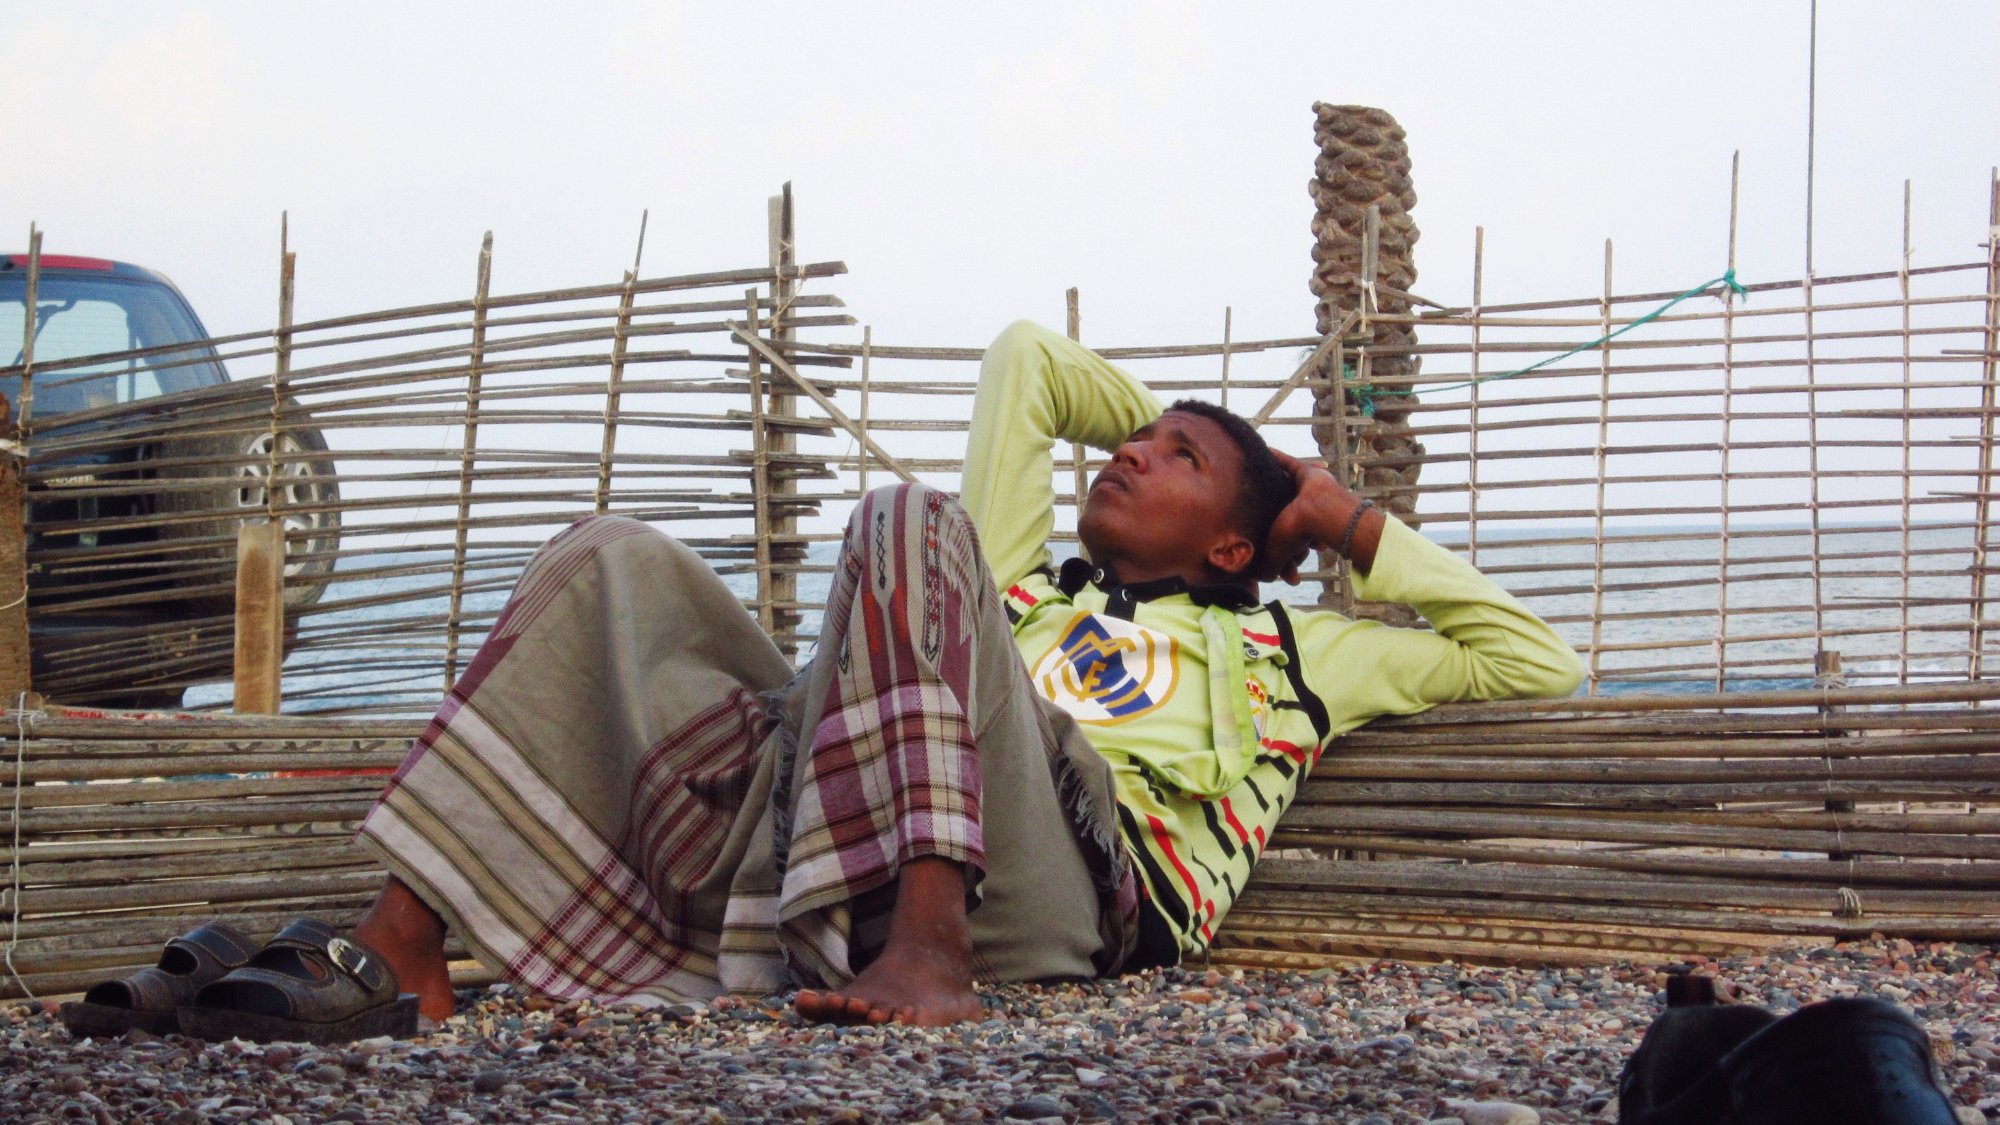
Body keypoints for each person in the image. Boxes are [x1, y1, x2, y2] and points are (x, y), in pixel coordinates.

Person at [157, 320, 1584, 1038]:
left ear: (1227, 537)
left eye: (1179, 456)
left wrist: (1327, 515)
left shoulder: (1289, 648)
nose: (1132, 450)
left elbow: (1537, 660)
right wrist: (1176, 423)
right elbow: (1030, 357)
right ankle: (405, 941)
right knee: (612, 555)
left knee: (905, 523)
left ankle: (930, 951)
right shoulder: (1021, 580)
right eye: (1132, 435)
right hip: (834, 819)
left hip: (1061, 890)